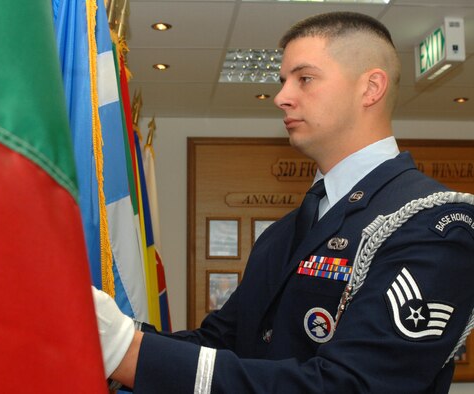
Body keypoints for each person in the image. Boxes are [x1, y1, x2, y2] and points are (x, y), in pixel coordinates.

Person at [92, 11, 474, 393]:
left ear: (370, 88)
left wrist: (128, 352)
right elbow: (222, 342)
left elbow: (349, 386)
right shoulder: (284, 232)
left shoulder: (433, 223)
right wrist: (105, 330)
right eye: (283, 81)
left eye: (304, 79)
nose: (281, 97)